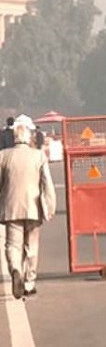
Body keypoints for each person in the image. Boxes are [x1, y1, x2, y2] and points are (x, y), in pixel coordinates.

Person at [0, 114, 56, 299]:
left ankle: (16, 269)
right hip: (33, 207)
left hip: (11, 207)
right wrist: (50, 205)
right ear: (29, 136)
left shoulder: (3, 156)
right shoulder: (38, 155)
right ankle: (29, 282)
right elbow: (47, 183)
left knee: (12, 246)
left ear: (14, 137)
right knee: (31, 247)